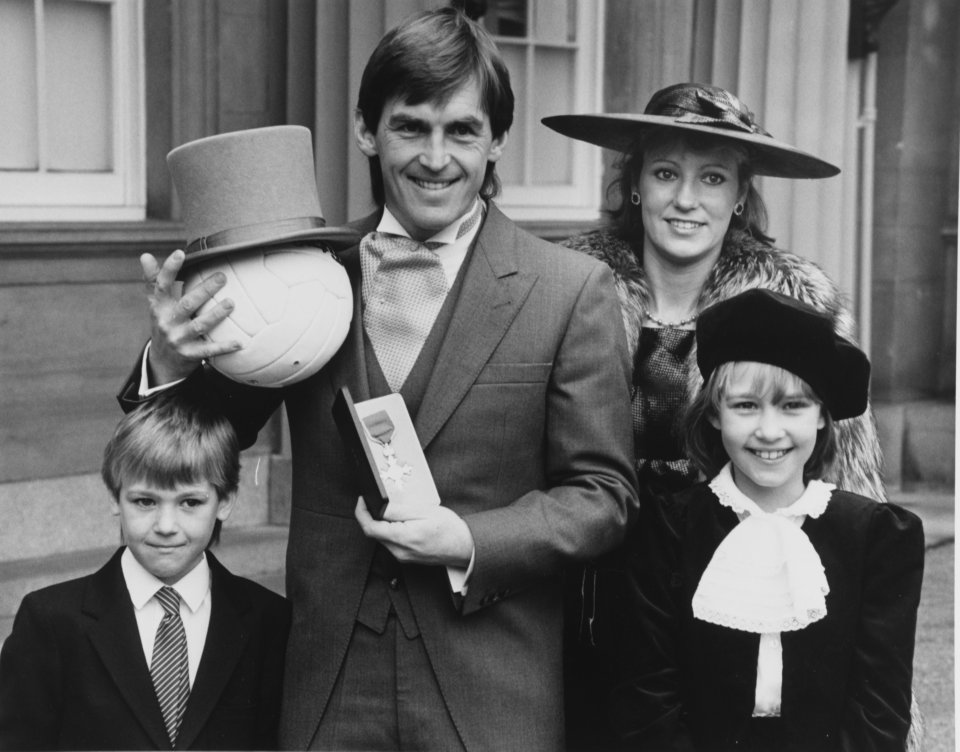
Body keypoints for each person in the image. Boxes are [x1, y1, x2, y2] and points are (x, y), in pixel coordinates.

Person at [119, 7, 637, 751]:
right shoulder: (306, 279)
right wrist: (171, 361)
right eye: (409, 126)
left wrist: (468, 539)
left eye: (461, 130)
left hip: (491, 691)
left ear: (496, 143)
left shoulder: (568, 289)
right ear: (367, 130)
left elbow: (604, 498)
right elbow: (190, 450)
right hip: (330, 687)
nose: (435, 156)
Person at [541, 82, 899, 747]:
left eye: (712, 177)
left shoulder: (795, 305)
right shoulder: (566, 288)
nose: (686, 199)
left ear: (740, 194)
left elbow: (843, 480)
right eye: (666, 173)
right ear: (637, 184)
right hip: (580, 596)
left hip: (721, 604)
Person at [610, 288, 924, 750]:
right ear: (715, 414)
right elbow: (649, 699)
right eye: (745, 406)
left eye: (793, 406)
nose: (769, 431)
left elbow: (879, 708)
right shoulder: (668, 528)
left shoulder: (875, 536)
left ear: (822, 416)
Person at [0, 387, 291, 750]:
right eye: (145, 501)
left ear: (225, 501)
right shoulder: (50, 621)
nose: (166, 525)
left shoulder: (268, 620)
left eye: (189, 502)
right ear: (114, 498)